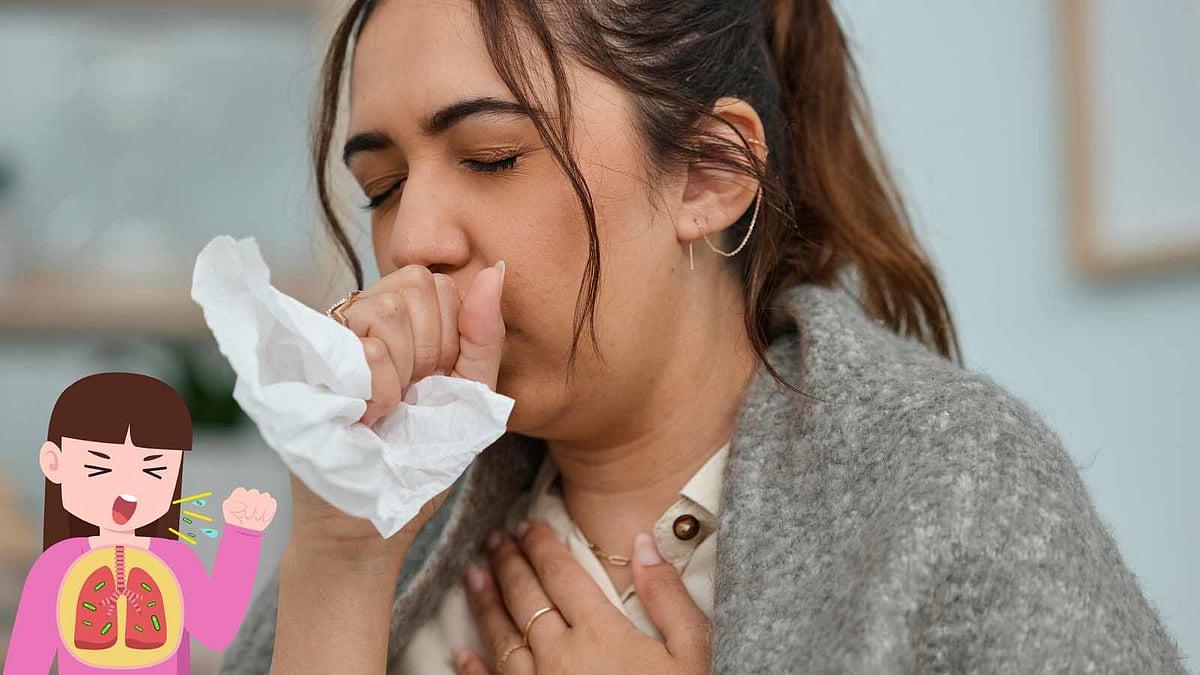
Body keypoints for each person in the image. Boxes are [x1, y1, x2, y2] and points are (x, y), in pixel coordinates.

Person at [220, 0, 1187, 673]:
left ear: (710, 174)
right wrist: (342, 559)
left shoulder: (954, 481)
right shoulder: (394, 512)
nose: (414, 239)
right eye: (382, 187)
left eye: (491, 157)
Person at [3, 372, 277, 674]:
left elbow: (217, 630)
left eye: (154, 471)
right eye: (98, 468)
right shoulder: (56, 565)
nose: (127, 490)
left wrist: (243, 537)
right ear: (54, 463)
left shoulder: (176, 560)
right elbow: (27, 661)